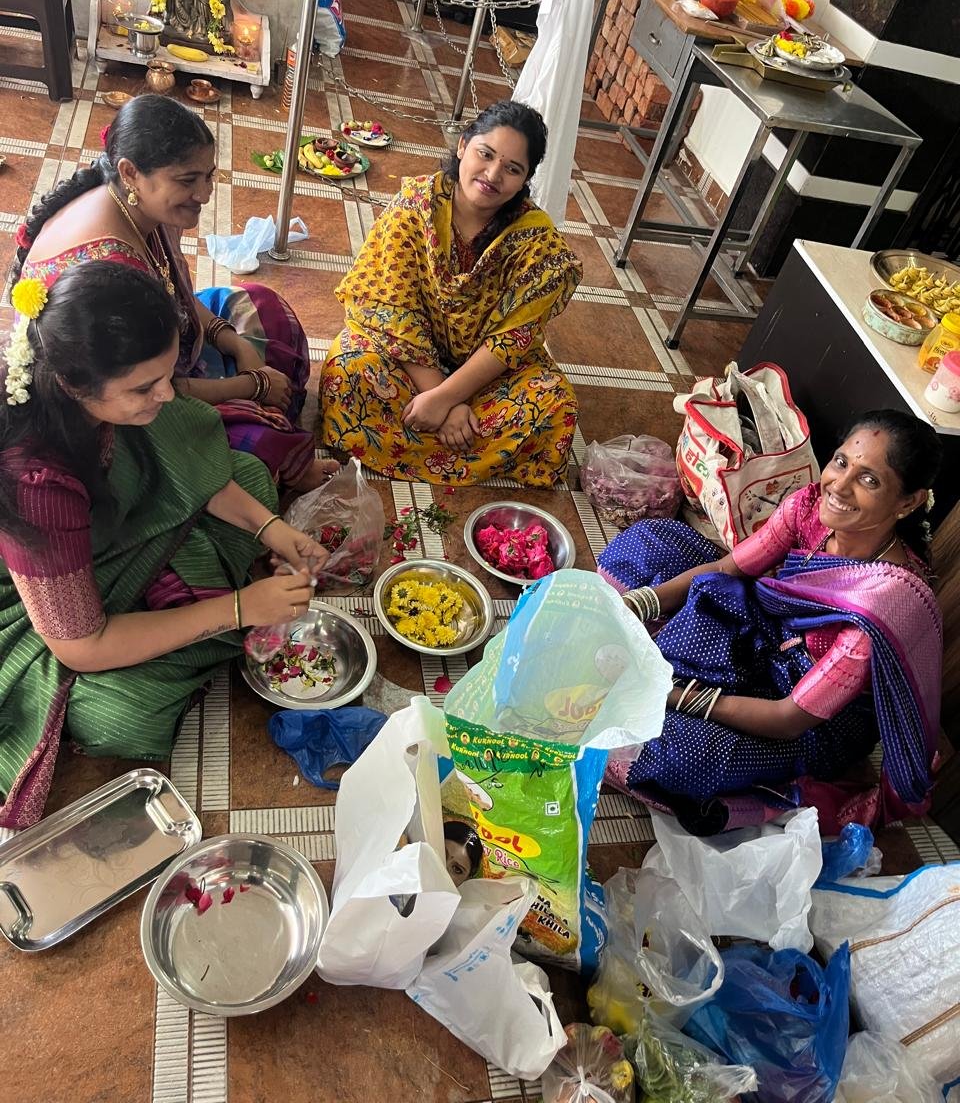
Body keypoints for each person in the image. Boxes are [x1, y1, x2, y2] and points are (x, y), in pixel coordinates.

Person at [0, 263, 326, 829]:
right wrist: (240, 608)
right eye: (144, 388)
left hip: (120, 535)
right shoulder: (37, 483)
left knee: (249, 478)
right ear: (74, 386)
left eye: (168, 374)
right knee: (119, 716)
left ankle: (180, 601)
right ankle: (196, 605)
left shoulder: (109, 391)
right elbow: (81, 646)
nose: (168, 394)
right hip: (46, 611)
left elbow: (193, 466)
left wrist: (273, 530)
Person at [597, 410, 943, 835]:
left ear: (908, 502)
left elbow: (788, 717)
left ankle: (668, 678)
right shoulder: (808, 508)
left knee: (684, 754)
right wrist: (634, 605)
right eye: (841, 462)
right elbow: (727, 569)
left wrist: (673, 696)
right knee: (651, 541)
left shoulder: (880, 604)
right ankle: (660, 650)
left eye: (869, 480)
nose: (840, 486)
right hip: (768, 631)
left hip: (806, 714)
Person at [15, 94, 334, 493]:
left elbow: (170, 288)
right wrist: (252, 385)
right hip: (126, 400)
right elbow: (151, 387)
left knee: (263, 306)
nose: (204, 194)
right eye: (187, 181)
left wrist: (230, 339)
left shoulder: (141, 204)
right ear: (130, 172)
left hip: (161, 349)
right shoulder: (110, 267)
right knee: (252, 458)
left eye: (208, 176)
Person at [318, 100, 583, 487]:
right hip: (407, 359)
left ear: (525, 179)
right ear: (462, 146)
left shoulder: (537, 242)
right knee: (348, 371)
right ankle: (461, 439)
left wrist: (446, 399)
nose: (493, 174)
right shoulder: (415, 207)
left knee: (554, 404)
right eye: (485, 154)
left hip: (484, 373)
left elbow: (512, 339)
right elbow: (390, 310)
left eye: (512, 169)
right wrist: (444, 401)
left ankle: (424, 433)